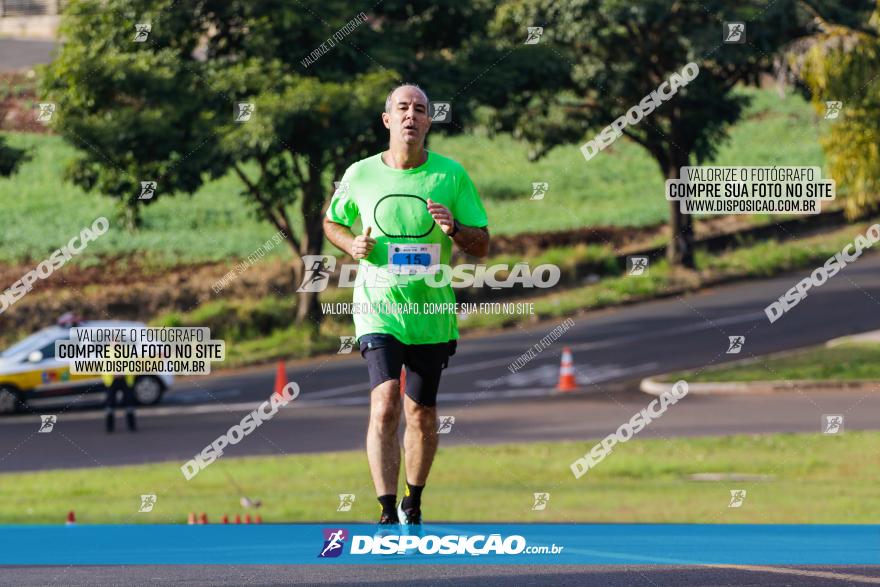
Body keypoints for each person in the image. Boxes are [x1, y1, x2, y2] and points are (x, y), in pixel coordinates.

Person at [323, 84, 490, 529]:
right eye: (403, 108)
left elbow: (483, 245)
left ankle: (412, 503)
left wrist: (454, 229)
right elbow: (332, 221)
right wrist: (350, 243)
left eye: (420, 109)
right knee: (385, 403)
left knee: (421, 412)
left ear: (428, 121)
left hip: (431, 312)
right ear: (387, 119)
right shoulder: (359, 174)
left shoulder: (450, 176)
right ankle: (384, 510)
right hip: (377, 306)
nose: (411, 116)